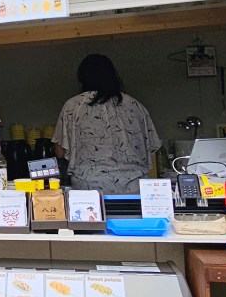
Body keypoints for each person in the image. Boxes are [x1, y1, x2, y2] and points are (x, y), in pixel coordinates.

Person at [53, 54, 160, 194]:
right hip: (134, 186)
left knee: (92, 216)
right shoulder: (134, 105)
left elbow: (60, 152)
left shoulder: (73, 106)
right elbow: (152, 146)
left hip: (88, 188)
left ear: (82, 78)